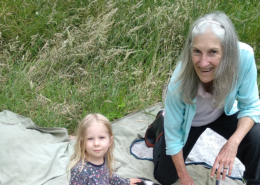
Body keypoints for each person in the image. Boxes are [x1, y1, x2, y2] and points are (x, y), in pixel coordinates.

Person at [146, 12, 260, 185]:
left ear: (227, 52)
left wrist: (233, 143)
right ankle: (162, 121)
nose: (203, 62)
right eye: (197, 52)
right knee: (165, 177)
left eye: (213, 52)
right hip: (190, 122)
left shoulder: (243, 56)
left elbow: (251, 106)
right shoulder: (178, 81)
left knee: (256, 137)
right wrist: (184, 176)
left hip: (223, 112)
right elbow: (175, 138)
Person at [68, 113, 142, 185]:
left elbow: (108, 175)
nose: (96, 143)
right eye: (90, 138)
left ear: (110, 141)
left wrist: (125, 182)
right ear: (82, 142)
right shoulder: (80, 170)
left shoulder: (104, 157)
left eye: (101, 137)